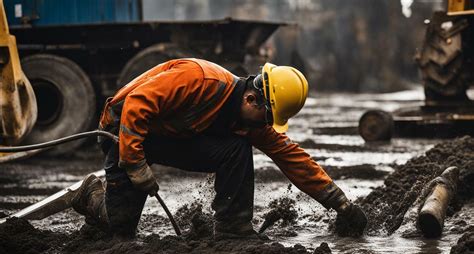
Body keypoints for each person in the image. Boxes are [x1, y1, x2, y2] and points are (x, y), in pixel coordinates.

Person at [72, 58, 367, 239]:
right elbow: (137, 103)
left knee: (236, 149)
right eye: (267, 118)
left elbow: (291, 157)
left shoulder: (247, 118)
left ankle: (233, 228)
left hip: (167, 135)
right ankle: (92, 194)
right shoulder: (201, 80)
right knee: (120, 228)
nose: (266, 126)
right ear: (252, 99)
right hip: (121, 131)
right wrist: (135, 163)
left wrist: (339, 202)